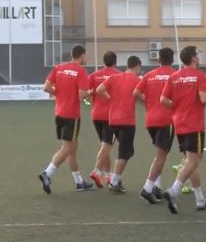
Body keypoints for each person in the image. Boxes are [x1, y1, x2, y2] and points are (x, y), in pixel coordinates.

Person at [161, 46, 206, 213]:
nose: (199, 57)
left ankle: (200, 199)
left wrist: (176, 108)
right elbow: (204, 99)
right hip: (194, 123)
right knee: (192, 161)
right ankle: (174, 191)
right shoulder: (201, 76)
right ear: (194, 58)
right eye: (197, 55)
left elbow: (163, 99)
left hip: (179, 123)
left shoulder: (174, 76)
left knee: (191, 161)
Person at [38, 44, 94, 194]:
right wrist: (89, 92)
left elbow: (46, 87)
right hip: (71, 115)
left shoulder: (59, 68)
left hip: (59, 113)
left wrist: (59, 93)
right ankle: (47, 173)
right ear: (82, 55)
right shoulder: (81, 71)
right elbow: (82, 95)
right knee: (67, 148)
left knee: (72, 148)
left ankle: (79, 182)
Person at [133, 48, 175, 204]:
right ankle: (147, 188)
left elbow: (135, 93)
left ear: (158, 59)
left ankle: (156, 186)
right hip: (166, 120)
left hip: (151, 120)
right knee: (161, 156)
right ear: (172, 59)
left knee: (159, 154)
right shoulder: (175, 75)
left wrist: (148, 103)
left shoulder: (150, 75)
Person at [96, 56, 142, 193]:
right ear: (138, 66)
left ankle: (116, 178)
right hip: (127, 121)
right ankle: (114, 181)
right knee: (125, 153)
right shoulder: (137, 80)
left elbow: (99, 90)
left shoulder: (114, 77)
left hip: (113, 120)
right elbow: (141, 96)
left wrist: (111, 99)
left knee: (126, 150)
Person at [89, 51, 120, 188]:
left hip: (96, 115)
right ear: (115, 61)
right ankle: (97, 170)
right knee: (107, 145)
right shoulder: (119, 75)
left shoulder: (94, 75)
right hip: (110, 115)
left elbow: (87, 91)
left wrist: (89, 96)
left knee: (105, 145)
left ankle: (108, 175)